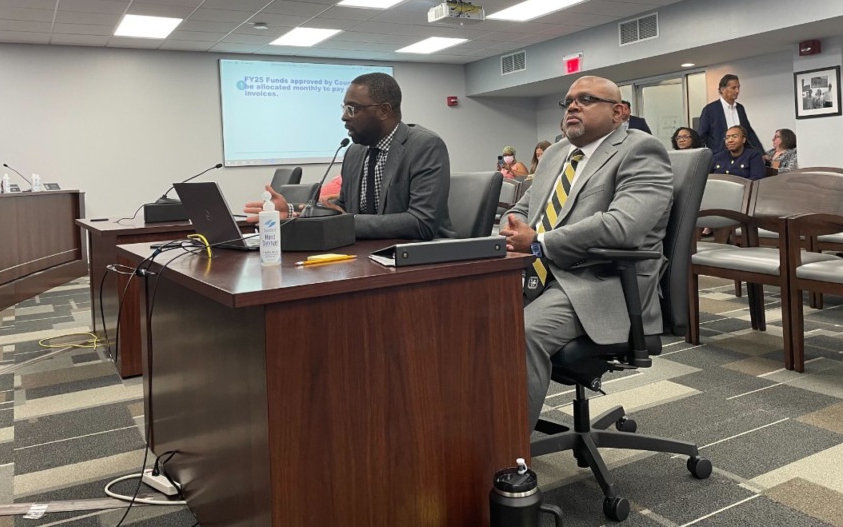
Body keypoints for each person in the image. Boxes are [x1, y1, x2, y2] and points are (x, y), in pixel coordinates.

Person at [499, 75, 673, 433]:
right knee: (465, 318)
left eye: (587, 99)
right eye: (568, 101)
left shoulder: (641, 149)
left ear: (619, 112)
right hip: (539, 275)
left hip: (602, 281)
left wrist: (540, 241)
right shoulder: (556, 153)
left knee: (520, 333)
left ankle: (507, 455)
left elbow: (624, 226)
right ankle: (462, 438)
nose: (573, 106)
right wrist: (511, 225)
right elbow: (522, 208)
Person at [245, 72, 455, 240]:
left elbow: (421, 222)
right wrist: (292, 211)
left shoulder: (424, 146)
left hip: (424, 259)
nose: (344, 117)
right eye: (344, 108)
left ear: (383, 111)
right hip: (369, 254)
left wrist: (347, 222)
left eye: (352, 108)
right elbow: (343, 207)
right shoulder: (355, 151)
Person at [698, 74, 762, 153]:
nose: (737, 91)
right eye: (733, 88)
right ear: (722, 89)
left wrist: (761, 152)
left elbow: (748, 132)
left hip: (742, 155)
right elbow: (702, 136)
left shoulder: (740, 108)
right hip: (720, 155)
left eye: (738, 87)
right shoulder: (710, 109)